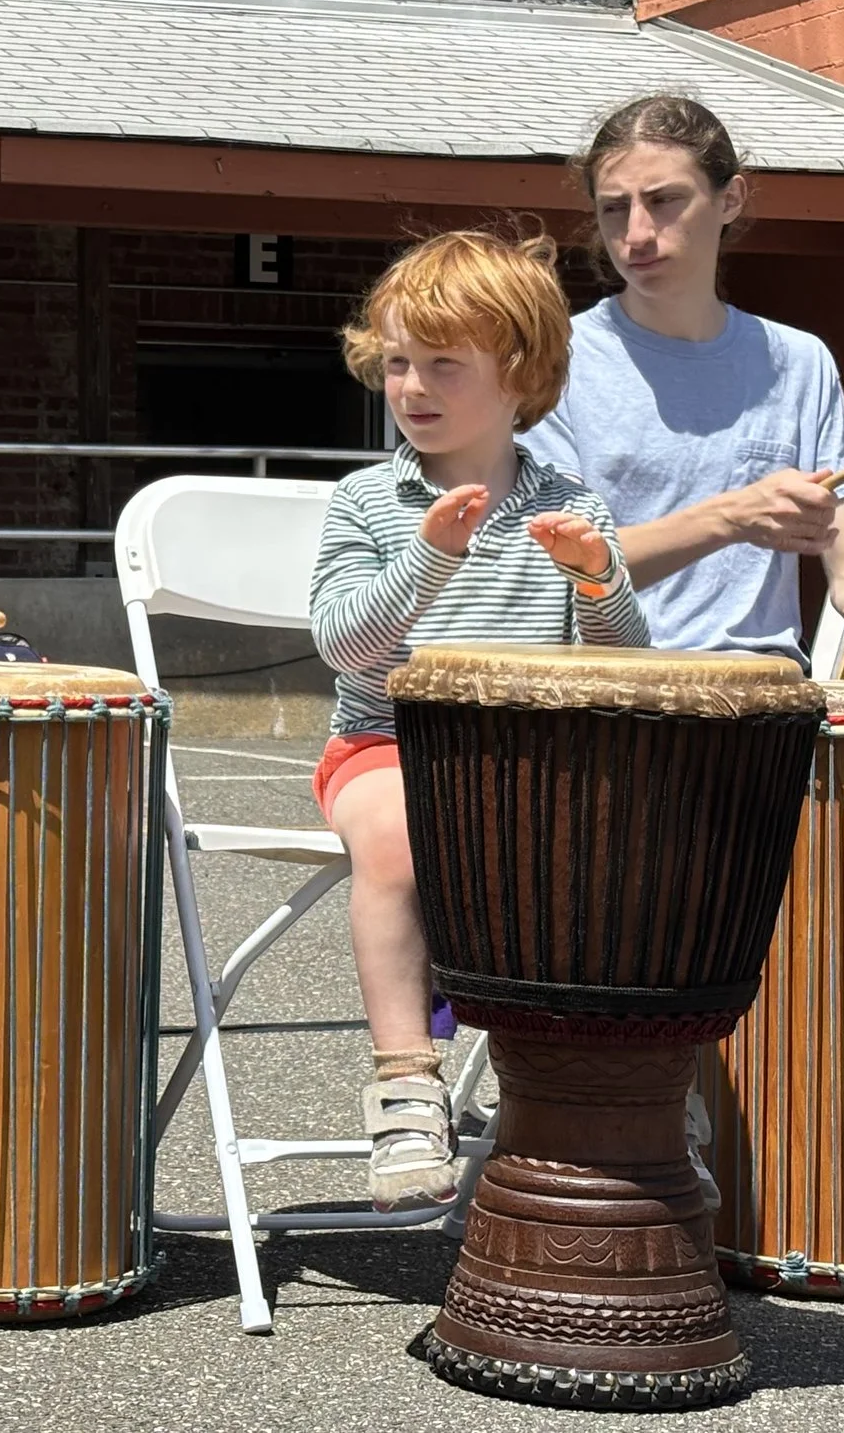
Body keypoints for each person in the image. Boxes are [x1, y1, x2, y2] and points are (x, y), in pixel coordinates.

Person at [309, 230, 650, 1207]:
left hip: (526, 762)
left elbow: (620, 664)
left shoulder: (571, 503)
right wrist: (427, 559)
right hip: (381, 743)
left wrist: (593, 580)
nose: (410, 385)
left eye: (441, 364)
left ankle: (589, 1075)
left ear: (520, 376)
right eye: (397, 361)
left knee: (617, 847)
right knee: (398, 843)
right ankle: (408, 1084)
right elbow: (342, 646)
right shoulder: (368, 503)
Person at [528, 96, 844, 664]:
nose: (637, 233)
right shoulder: (558, 361)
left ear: (731, 198)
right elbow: (556, 567)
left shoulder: (800, 361)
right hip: (601, 698)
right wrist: (730, 517)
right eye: (614, 209)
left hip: (759, 707)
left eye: (664, 201)